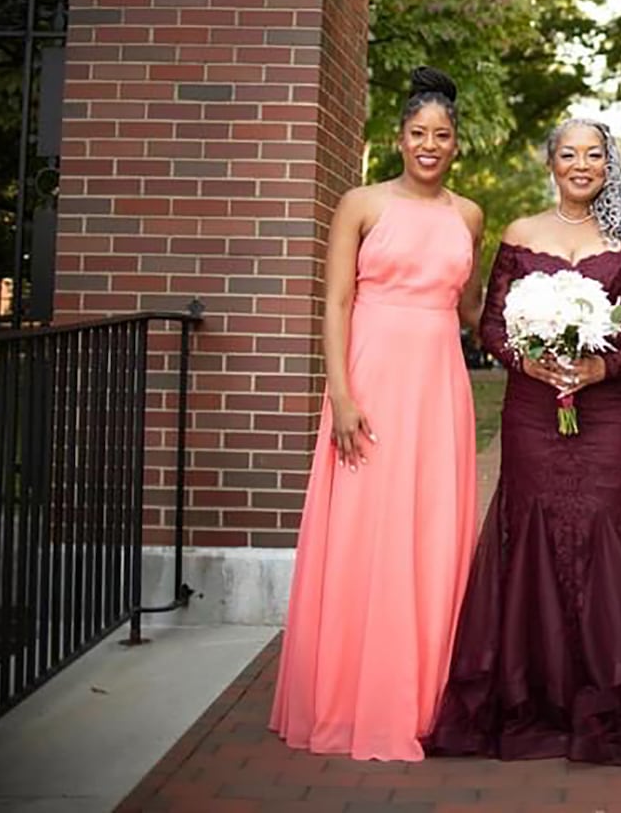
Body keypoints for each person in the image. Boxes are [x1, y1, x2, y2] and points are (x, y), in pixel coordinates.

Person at [426, 118, 621, 774]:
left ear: (608, 163)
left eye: (594, 154)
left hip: (611, 408)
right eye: (568, 153)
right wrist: (527, 364)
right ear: (550, 161)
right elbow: (492, 322)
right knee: (532, 525)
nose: (580, 164)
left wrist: (602, 367)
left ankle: (614, 692)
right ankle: (537, 692)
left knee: (604, 524)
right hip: (535, 408)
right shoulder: (521, 233)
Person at [270, 66, 484, 762]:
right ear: (399, 139)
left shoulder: (469, 216)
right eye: (418, 133)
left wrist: (551, 331)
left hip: (439, 386)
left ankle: (423, 696)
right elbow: (333, 301)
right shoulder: (360, 203)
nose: (430, 145)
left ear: (456, 144)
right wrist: (339, 394)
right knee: (365, 529)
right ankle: (348, 694)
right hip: (370, 378)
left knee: (429, 530)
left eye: (442, 136)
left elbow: (475, 310)